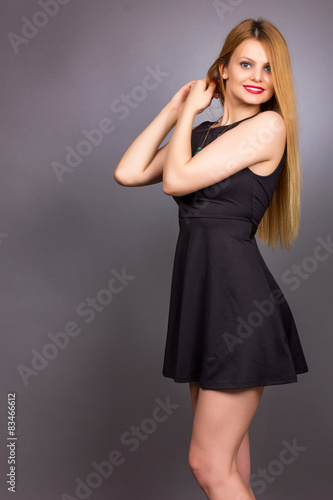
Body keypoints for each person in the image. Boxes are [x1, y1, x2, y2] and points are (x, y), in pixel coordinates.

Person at [114, 17, 309, 500]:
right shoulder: (200, 134)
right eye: (246, 63)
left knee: (209, 465)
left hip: (240, 307)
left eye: (269, 69)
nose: (258, 76)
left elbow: (175, 181)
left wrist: (185, 121)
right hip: (204, 303)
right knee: (231, 465)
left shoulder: (268, 126)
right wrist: (177, 107)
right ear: (222, 69)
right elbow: (129, 171)